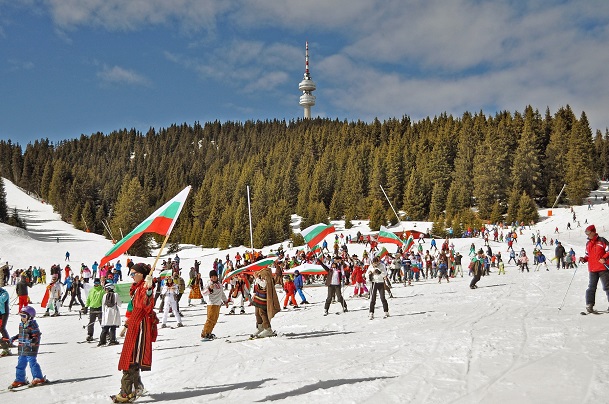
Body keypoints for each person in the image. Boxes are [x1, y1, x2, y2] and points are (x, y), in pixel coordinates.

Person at [114, 263, 157, 403]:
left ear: (141, 274)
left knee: (131, 359)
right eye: (131, 274)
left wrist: (149, 289)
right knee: (131, 358)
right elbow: (133, 310)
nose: (132, 276)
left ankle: (126, 393)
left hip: (140, 326)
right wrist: (126, 325)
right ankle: (137, 387)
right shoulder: (137, 288)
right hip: (134, 325)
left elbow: (147, 303)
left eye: (133, 274)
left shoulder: (144, 288)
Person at [8, 306, 48, 389]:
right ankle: (20, 379)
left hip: (30, 347)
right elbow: (21, 334)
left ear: (30, 317)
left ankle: (38, 378)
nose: (22, 318)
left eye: (24, 316)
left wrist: (33, 340)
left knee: (32, 363)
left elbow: (36, 335)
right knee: (20, 364)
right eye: (21, 316)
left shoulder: (33, 325)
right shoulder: (21, 325)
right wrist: (14, 338)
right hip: (22, 347)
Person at [579, 225, 609, 313]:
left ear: (593, 231)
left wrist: (604, 258)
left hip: (603, 268)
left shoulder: (602, 240)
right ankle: (589, 305)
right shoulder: (588, 243)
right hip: (592, 269)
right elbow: (587, 255)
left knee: (607, 287)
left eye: (588, 232)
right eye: (586, 233)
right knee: (591, 287)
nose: (587, 235)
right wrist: (584, 259)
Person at [251, 267, 281, 338]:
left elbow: (264, 284)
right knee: (257, 313)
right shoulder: (259, 272)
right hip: (258, 297)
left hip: (263, 298)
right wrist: (255, 293)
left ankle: (268, 328)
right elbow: (257, 285)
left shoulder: (266, 272)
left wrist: (256, 278)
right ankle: (260, 327)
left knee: (262, 313)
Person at [200, 270, 226, 339]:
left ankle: (209, 332)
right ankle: (205, 333)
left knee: (215, 319)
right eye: (212, 277)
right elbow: (203, 293)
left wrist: (225, 301)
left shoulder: (219, 284)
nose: (214, 278)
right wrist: (209, 289)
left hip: (218, 304)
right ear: (210, 278)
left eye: (215, 276)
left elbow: (222, 293)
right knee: (210, 319)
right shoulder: (209, 284)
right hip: (211, 304)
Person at [99, 281, 122, 347]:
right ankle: (112, 340)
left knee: (105, 327)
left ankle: (102, 341)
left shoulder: (105, 295)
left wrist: (103, 312)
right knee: (113, 327)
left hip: (107, 312)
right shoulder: (116, 294)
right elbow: (119, 304)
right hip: (114, 312)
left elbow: (103, 305)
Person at [0, 286, 10, 355]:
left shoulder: (5, 293)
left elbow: (2, 300)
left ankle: (7, 342)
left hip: (4, 312)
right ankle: (4, 342)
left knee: (2, 328)